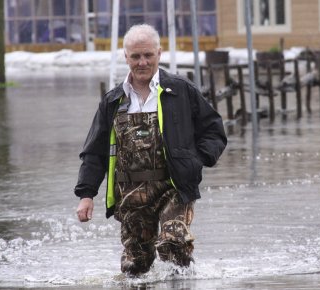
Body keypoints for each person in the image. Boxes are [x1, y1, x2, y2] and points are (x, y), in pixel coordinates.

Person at [74, 24, 227, 276]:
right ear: (126, 57)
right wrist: (86, 194)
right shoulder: (113, 101)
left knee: (173, 243)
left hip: (174, 187)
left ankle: (186, 282)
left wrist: (196, 160)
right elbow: (95, 152)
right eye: (135, 56)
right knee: (135, 268)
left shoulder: (180, 91)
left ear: (159, 53)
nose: (142, 62)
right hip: (130, 195)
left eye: (148, 55)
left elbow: (214, 131)